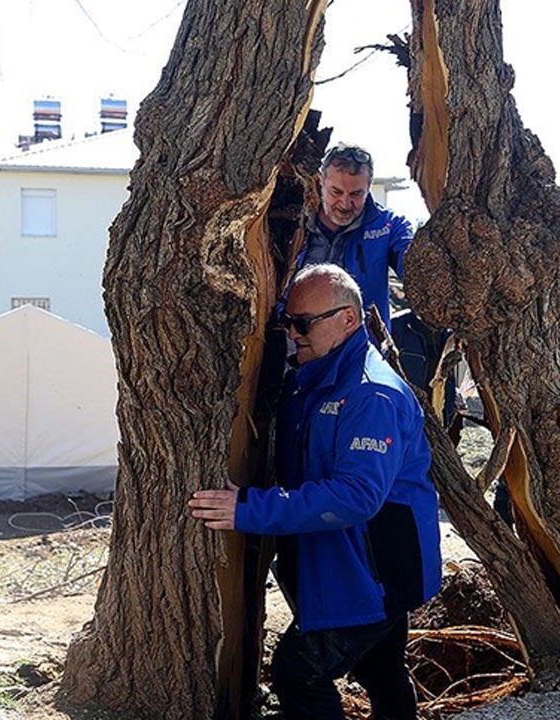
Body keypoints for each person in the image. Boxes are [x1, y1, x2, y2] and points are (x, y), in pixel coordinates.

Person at [190, 264, 442, 720]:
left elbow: (355, 496)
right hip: (355, 567)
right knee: (381, 670)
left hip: (372, 575)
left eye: (304, 323)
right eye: (287, 321)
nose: (293, 332)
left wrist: (248, 509)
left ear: (349, 320)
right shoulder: (311, 376)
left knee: (298, 672)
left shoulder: (370, 396)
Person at [296, 143, 414, 331]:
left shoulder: (390, 226)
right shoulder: (293, 221)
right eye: (336, 192)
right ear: (320, 181)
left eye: (356, 194)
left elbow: (415, 266)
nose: (345, 203)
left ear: (368, 188)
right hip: (297, 348)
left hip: (362, 352)